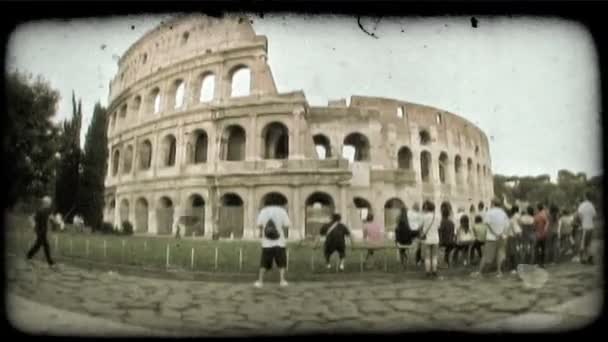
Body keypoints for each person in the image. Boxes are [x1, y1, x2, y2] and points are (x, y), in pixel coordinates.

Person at [254, 204, 291, 288]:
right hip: (279, 242)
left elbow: (259, 224)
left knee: (264, 262)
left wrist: (264, 230)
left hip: (266, 243)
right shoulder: (282, 211)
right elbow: (287, 225)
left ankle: (260, 281)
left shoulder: (263, 211)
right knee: (281, 262)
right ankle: (282, 280)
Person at [472, 198, 509, 278]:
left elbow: (487, 224)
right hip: (502, 237)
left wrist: (495, 233)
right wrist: (501, 233)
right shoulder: (503, 213)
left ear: (493, 203)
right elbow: (506, 225)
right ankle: (499, 272)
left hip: (492, 237)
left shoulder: (489, 212)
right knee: (500, 254)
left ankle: (480, 272)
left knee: (486, 256)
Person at [26, 196, 58, 269]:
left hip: (42, 231)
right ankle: (51, 263)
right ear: (46, 203)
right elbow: (31, 218)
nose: (50, 204)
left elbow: (51, 217)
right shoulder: (40, 210)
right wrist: (34, 226)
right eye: (49, 203)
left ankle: (29, 256)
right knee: (46, 246)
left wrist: (56, 221)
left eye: (50, 203)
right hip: (40, 231)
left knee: (38, 246)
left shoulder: (46, 211)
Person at [420, 200, 440, 278]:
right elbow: (438, 227)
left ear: (426, 208)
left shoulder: (424, 216)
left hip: (427, 238)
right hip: (435, 238)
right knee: (434, 256)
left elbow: (420, 226)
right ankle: (434, 271)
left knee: (427, 257)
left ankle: (428, 272)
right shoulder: (437, 216)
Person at [577, 193, 597, 264]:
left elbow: (579, 215)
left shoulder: (581, 205)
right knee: (588, 243)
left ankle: (582, 259)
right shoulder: (591, 205)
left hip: (584, 227)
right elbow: (594, 215)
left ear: (585, 197)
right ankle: (590, 257)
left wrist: (582, 222)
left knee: (582, 243)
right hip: (591, 227)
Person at [505, 205, 522, 273]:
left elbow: (516, 230)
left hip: (511, 237)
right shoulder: (513, 219)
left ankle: (513, 268)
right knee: (513, 253)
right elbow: (517, 230)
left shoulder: (511, 220)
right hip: (513, 237)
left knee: (512, 253)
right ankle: (514, 268)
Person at [533, 203, 549, 268]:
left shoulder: (537, 216)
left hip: (538, 234)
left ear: (537, 208)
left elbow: (534, 226)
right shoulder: (544, 214)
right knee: (543, 249)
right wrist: (545, 229)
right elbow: (547, 222)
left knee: (536, 249)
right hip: (544, 234)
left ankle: (537, 263)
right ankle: (542, 263)